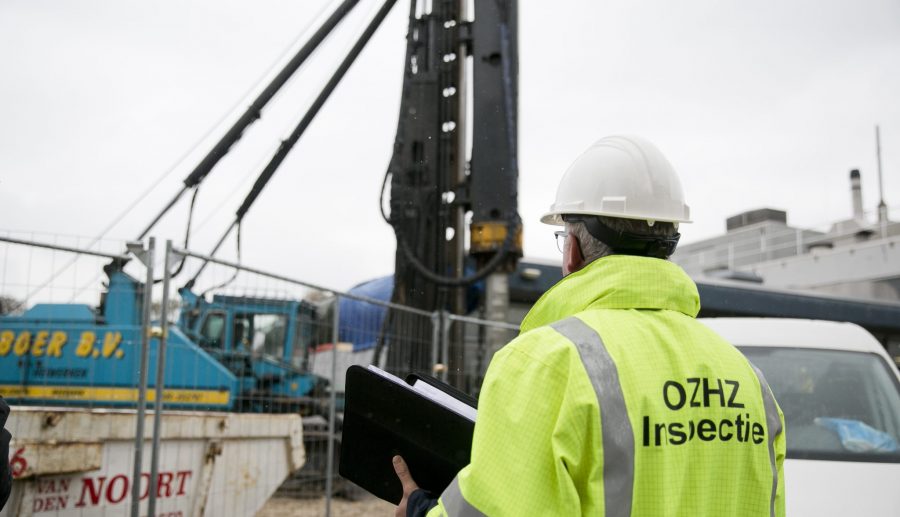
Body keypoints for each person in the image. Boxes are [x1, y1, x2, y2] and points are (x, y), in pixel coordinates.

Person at [392, 135, 786, 516]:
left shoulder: (544, 364)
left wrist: (420, 511)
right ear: (669, 243)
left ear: (574, 252)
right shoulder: (749, 380)